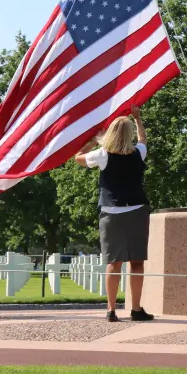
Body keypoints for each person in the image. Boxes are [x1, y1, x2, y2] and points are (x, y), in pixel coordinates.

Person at [75, 105, 155, 323]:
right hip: (137, 210)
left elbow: (78, 158)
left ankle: (111, 309)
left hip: (111, 212)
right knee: (137, 262)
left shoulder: (102, 155)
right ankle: (136, 309)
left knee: (114, 262)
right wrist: (138, 118)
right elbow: (143, 139)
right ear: (128, 134)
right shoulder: (139, 153)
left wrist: (93, 139)